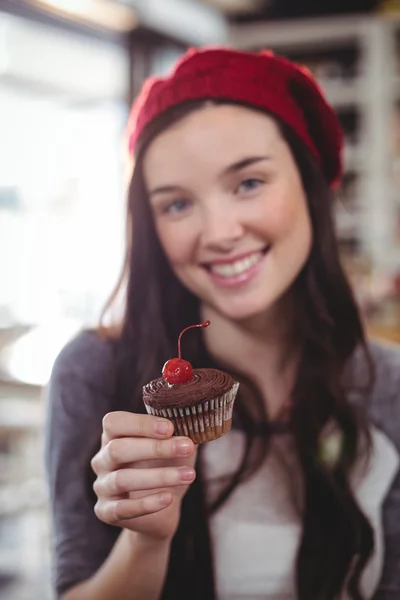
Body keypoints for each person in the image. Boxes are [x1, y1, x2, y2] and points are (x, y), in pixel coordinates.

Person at [45, 47, 400, 600]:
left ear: (309, 184)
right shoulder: (95, 373)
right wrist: (145, 541)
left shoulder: (387, 385)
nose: (218, 232)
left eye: (248, 183)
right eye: (177, 205)